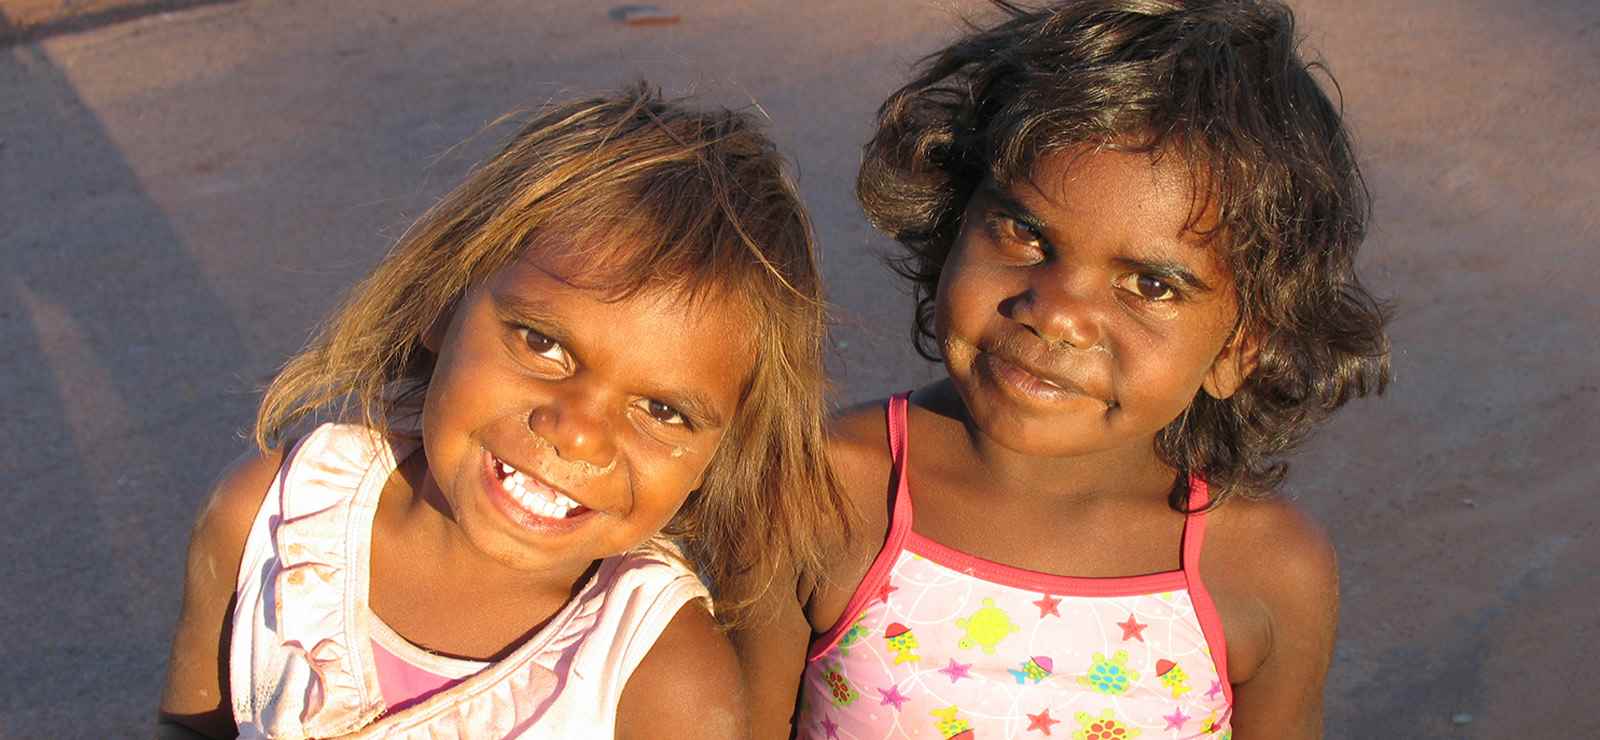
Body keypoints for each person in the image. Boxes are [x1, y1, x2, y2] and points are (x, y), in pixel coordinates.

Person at [735, 1, 1390, 737]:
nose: (1056, 314)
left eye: (1150, 285)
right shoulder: (823, 489)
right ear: (954, 223)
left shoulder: (1268, 567)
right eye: (1024, 233)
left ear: (1242, 348)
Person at [157, 85, 847, 739]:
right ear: (442, 300)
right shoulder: (269, 524)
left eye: (661, 410)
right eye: (543, 343)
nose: (578, 432)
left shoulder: (664, 682)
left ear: (718, 457)